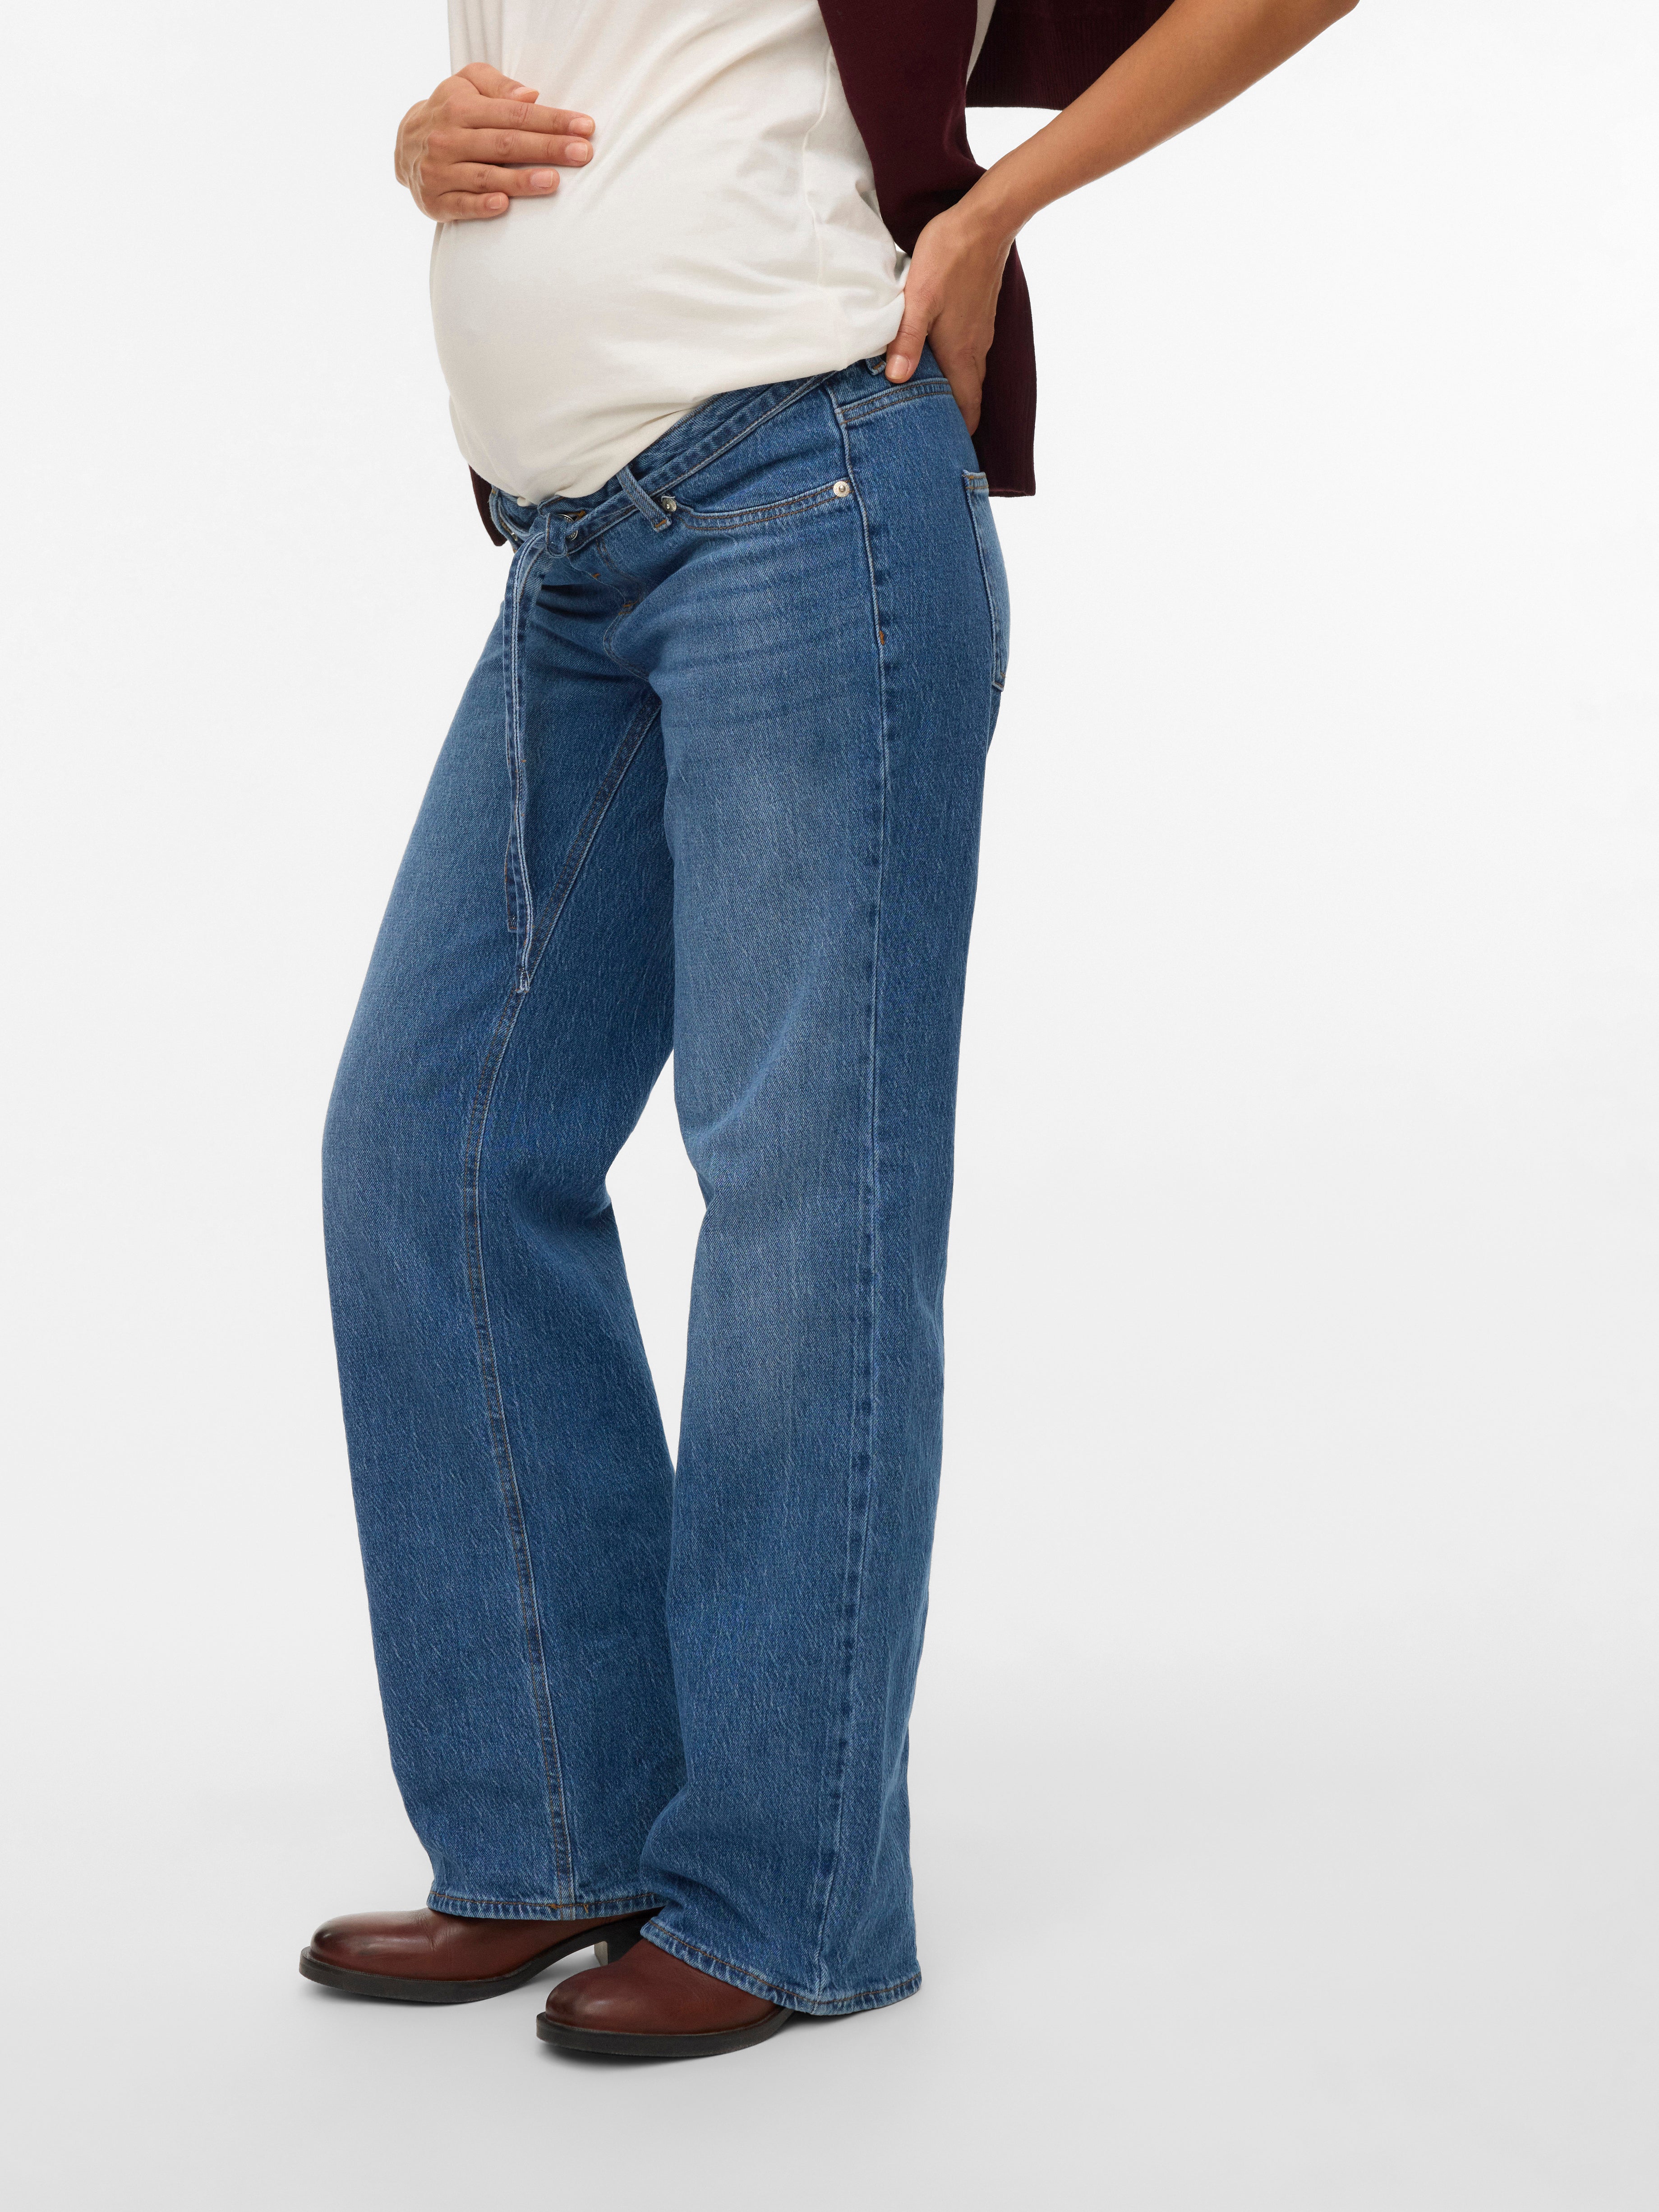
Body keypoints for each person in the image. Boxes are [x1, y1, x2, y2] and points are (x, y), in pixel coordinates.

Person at [300, 0, 1358, 2061]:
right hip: (572, 549)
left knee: (804, 1196)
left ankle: (788, 1898)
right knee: (427, 1148)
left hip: (805, 495)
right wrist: (427, 145)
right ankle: (553, 1828)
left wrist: (994, 211)